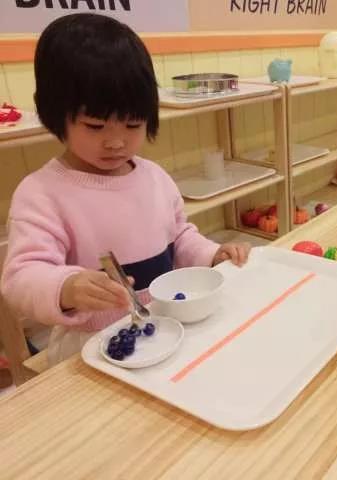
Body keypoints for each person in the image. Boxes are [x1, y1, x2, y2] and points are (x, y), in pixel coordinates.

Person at [0, 13, 250, 364]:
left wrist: (212, 255)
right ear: (55, 115)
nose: (116, 142)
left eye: (133, 124)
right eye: (95, 125)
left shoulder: (154, 177)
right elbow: (20, 278)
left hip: (165, 328)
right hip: (89, 347)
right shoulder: (41, 193)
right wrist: (66, 287)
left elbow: (180, 238)